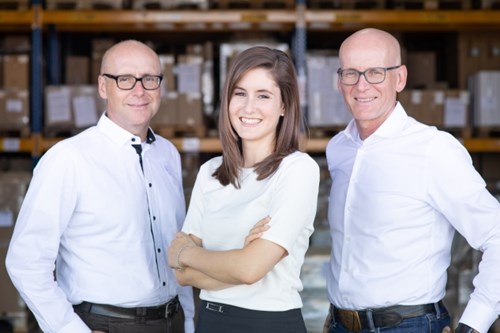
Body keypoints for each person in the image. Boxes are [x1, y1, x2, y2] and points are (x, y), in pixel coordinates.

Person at [5, 40, 195, 333]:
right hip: (105, 324)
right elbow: (25, 261)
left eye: (150, 79)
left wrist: (190, 321)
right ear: (103, 87)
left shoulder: (167, 154)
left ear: (161, 86)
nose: (139, 90)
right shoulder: (68, 159)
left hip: (172, 321)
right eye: (125, 79)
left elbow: (177, 248)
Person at [323, 27, 500, 333]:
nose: (361, 85)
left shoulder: (433, 150)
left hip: (408, 326)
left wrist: (473, 325)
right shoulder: (339, 148)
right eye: (351, 73)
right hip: (340, 323)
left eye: (375, 72)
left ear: (400, 78)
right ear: (340, 81)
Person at [166, 46, 320, 333]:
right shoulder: (210, 172)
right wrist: (241, 258)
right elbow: (183, 276)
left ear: (284, 105)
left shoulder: (297, 170)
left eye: (263, 95)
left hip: (268, 323)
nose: (248, 108)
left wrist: (187, 254)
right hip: (210, 321)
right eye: (240, 93)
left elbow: (249, 270)